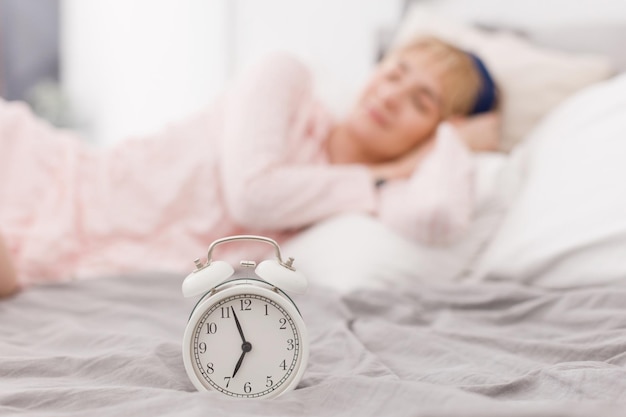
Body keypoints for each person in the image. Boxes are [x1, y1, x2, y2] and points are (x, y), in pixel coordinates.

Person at [0, 36, 499, 298]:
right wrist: (397, 166)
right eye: (395, 72)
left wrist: (449, 144)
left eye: (421, 101)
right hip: (49, 178)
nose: (390, 96)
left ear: (435, 128)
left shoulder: (373, 193)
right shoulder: (287, 77)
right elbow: (253, 194)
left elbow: (435, 216)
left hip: (60, 256)